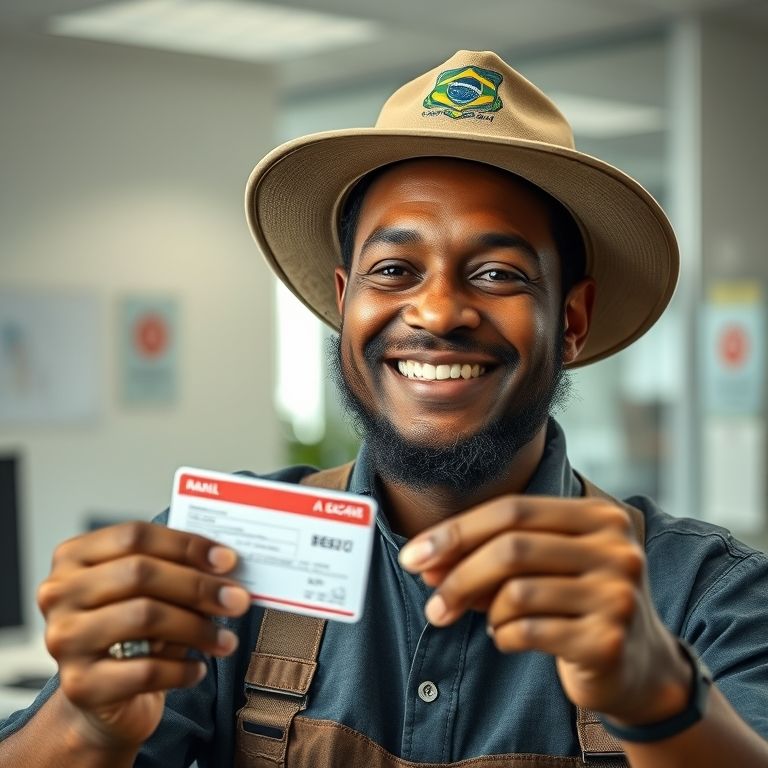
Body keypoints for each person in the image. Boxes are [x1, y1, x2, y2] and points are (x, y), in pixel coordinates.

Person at [1, 50, 767, 768]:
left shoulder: (706, 595)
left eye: (498, 272)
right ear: (344, 304)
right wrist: (83, 720)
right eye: (395, 270)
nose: (437, 311)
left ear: (570, 318)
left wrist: (661, 700)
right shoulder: (224, 559)